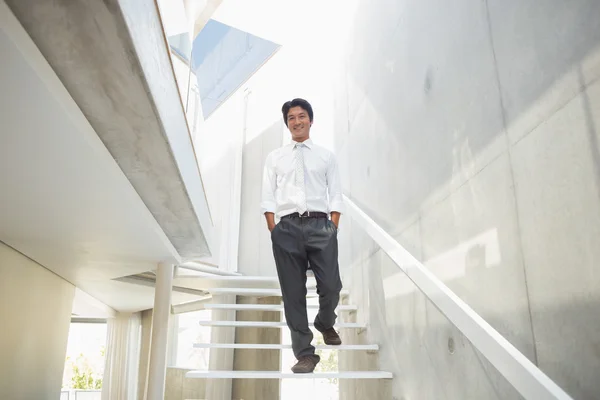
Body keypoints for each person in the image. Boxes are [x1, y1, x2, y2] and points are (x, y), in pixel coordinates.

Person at [260, 98, 344, 373]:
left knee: (331, 286)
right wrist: (275, 229)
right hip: (287, 229)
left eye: (301, 116)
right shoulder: (275, 157)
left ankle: (324, 321)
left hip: (321, 227)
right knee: (293, 294)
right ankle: (305, 354)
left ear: (310, 119)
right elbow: (267, 196)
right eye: (291, 118)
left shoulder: (325, 156)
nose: (297, 121)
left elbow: (336, 194)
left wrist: (333, 225)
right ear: (287, 123)